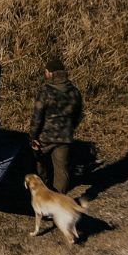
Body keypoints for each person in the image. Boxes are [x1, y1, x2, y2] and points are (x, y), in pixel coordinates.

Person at [29, 54, 83, 194]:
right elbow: (78, 116)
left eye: (46, 71)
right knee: (62, 171)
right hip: (64, 137)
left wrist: (33, 136)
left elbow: (37, 116)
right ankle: (58, 202)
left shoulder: (45, 91)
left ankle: (43, 193)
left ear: (51, 73)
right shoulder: (75, 92)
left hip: (45, 137)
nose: (45, 74)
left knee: (39, 162)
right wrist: (70, 128)